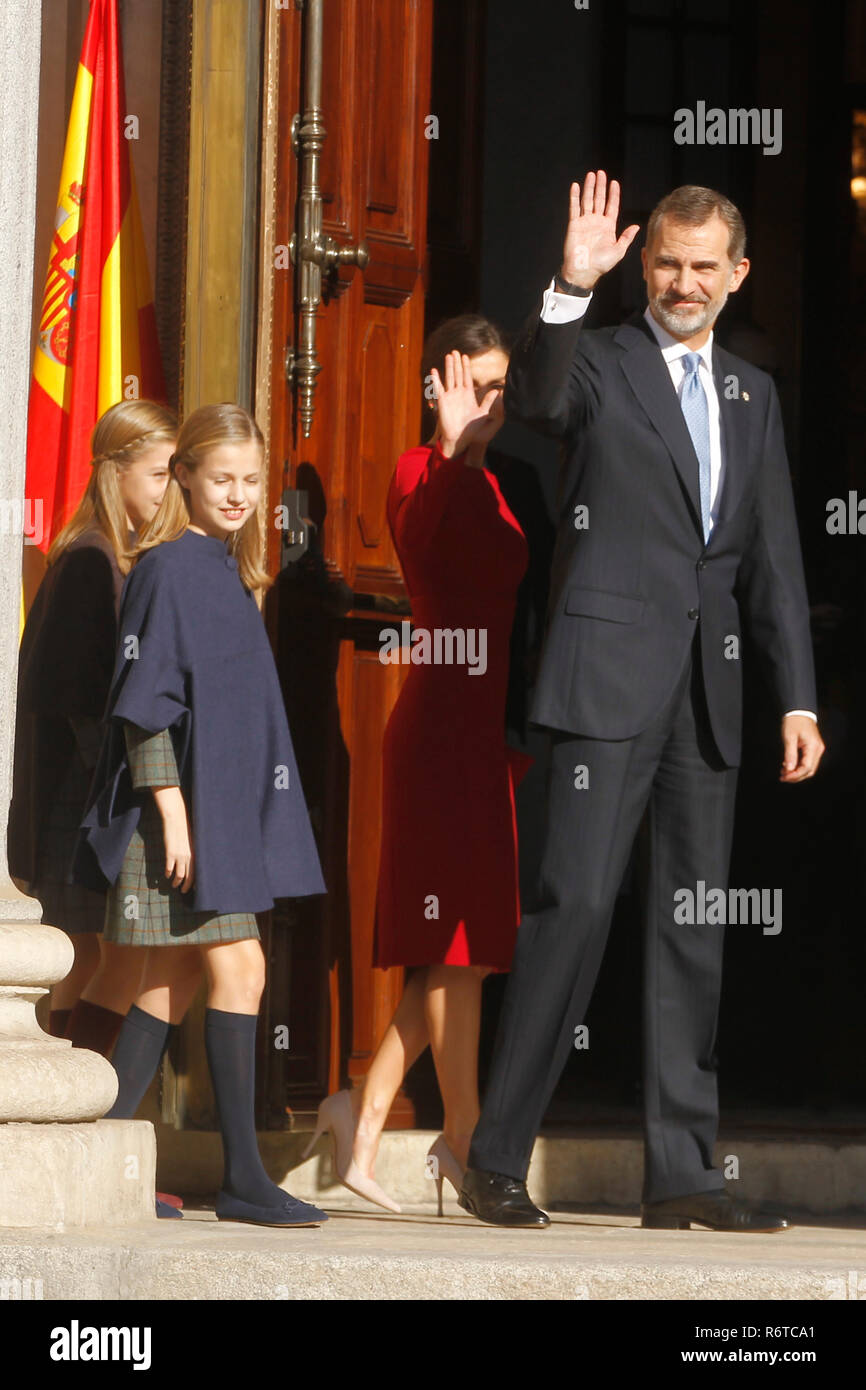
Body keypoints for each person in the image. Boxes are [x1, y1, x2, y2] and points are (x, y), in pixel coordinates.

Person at [459, 172, 825, 1232]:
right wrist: (568, 286)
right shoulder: (604, 365)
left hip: (704, 699)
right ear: (643, 262)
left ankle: (679, 1174)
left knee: (688, 930)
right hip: (600, 687)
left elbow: (774, 563)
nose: (681, 281)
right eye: (664, 261)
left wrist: (794, 699)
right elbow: (533, 402)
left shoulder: (753, 396)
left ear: (735, 275)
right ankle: (492, 1155)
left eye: (703, 266)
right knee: (570, 909)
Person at [72, 403, 328, 1227]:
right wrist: (176, 818)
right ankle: (246, 1179)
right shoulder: (168, 566)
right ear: (183, 474)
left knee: (172, 980)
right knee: (238, 969)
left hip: (219, 819)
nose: (240, 494)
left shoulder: (221, 567)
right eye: (222, 478)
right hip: (178, 824)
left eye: (253, 481)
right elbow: (144, 708)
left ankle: (100, 1152)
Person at [302, 317, 532, 1214]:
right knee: (451, 948)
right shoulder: (417, 471)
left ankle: (361, 1118)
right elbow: (425, 551)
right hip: (438, 727)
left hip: (481, 732)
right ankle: (463, 1138)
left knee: (463, 955)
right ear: (440, 386)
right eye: (474, 384)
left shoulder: (502, 487)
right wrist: (447, 445)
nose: (490, 403)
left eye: (501, 387)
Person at [9, 400, 177, 1051]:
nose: (170, 492)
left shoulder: (100, 555)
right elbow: (73, 699)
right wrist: (125, 788)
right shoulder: (89, 560)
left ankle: (73, 1095)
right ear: (117, 472)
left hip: (78, 799)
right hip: (78, 802)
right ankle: (86, 1096)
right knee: (108, 959)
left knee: (88, 962)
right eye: (160, 474)